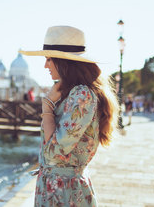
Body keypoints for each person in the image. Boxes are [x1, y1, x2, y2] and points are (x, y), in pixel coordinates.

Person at [20, 25, 118, 206]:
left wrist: (47, 107)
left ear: (63, 62)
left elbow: (54, 152)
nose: (45, 65)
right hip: (56, 188)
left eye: (49, 59)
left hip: (64, 192)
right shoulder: (70, 93)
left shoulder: (82, 95)